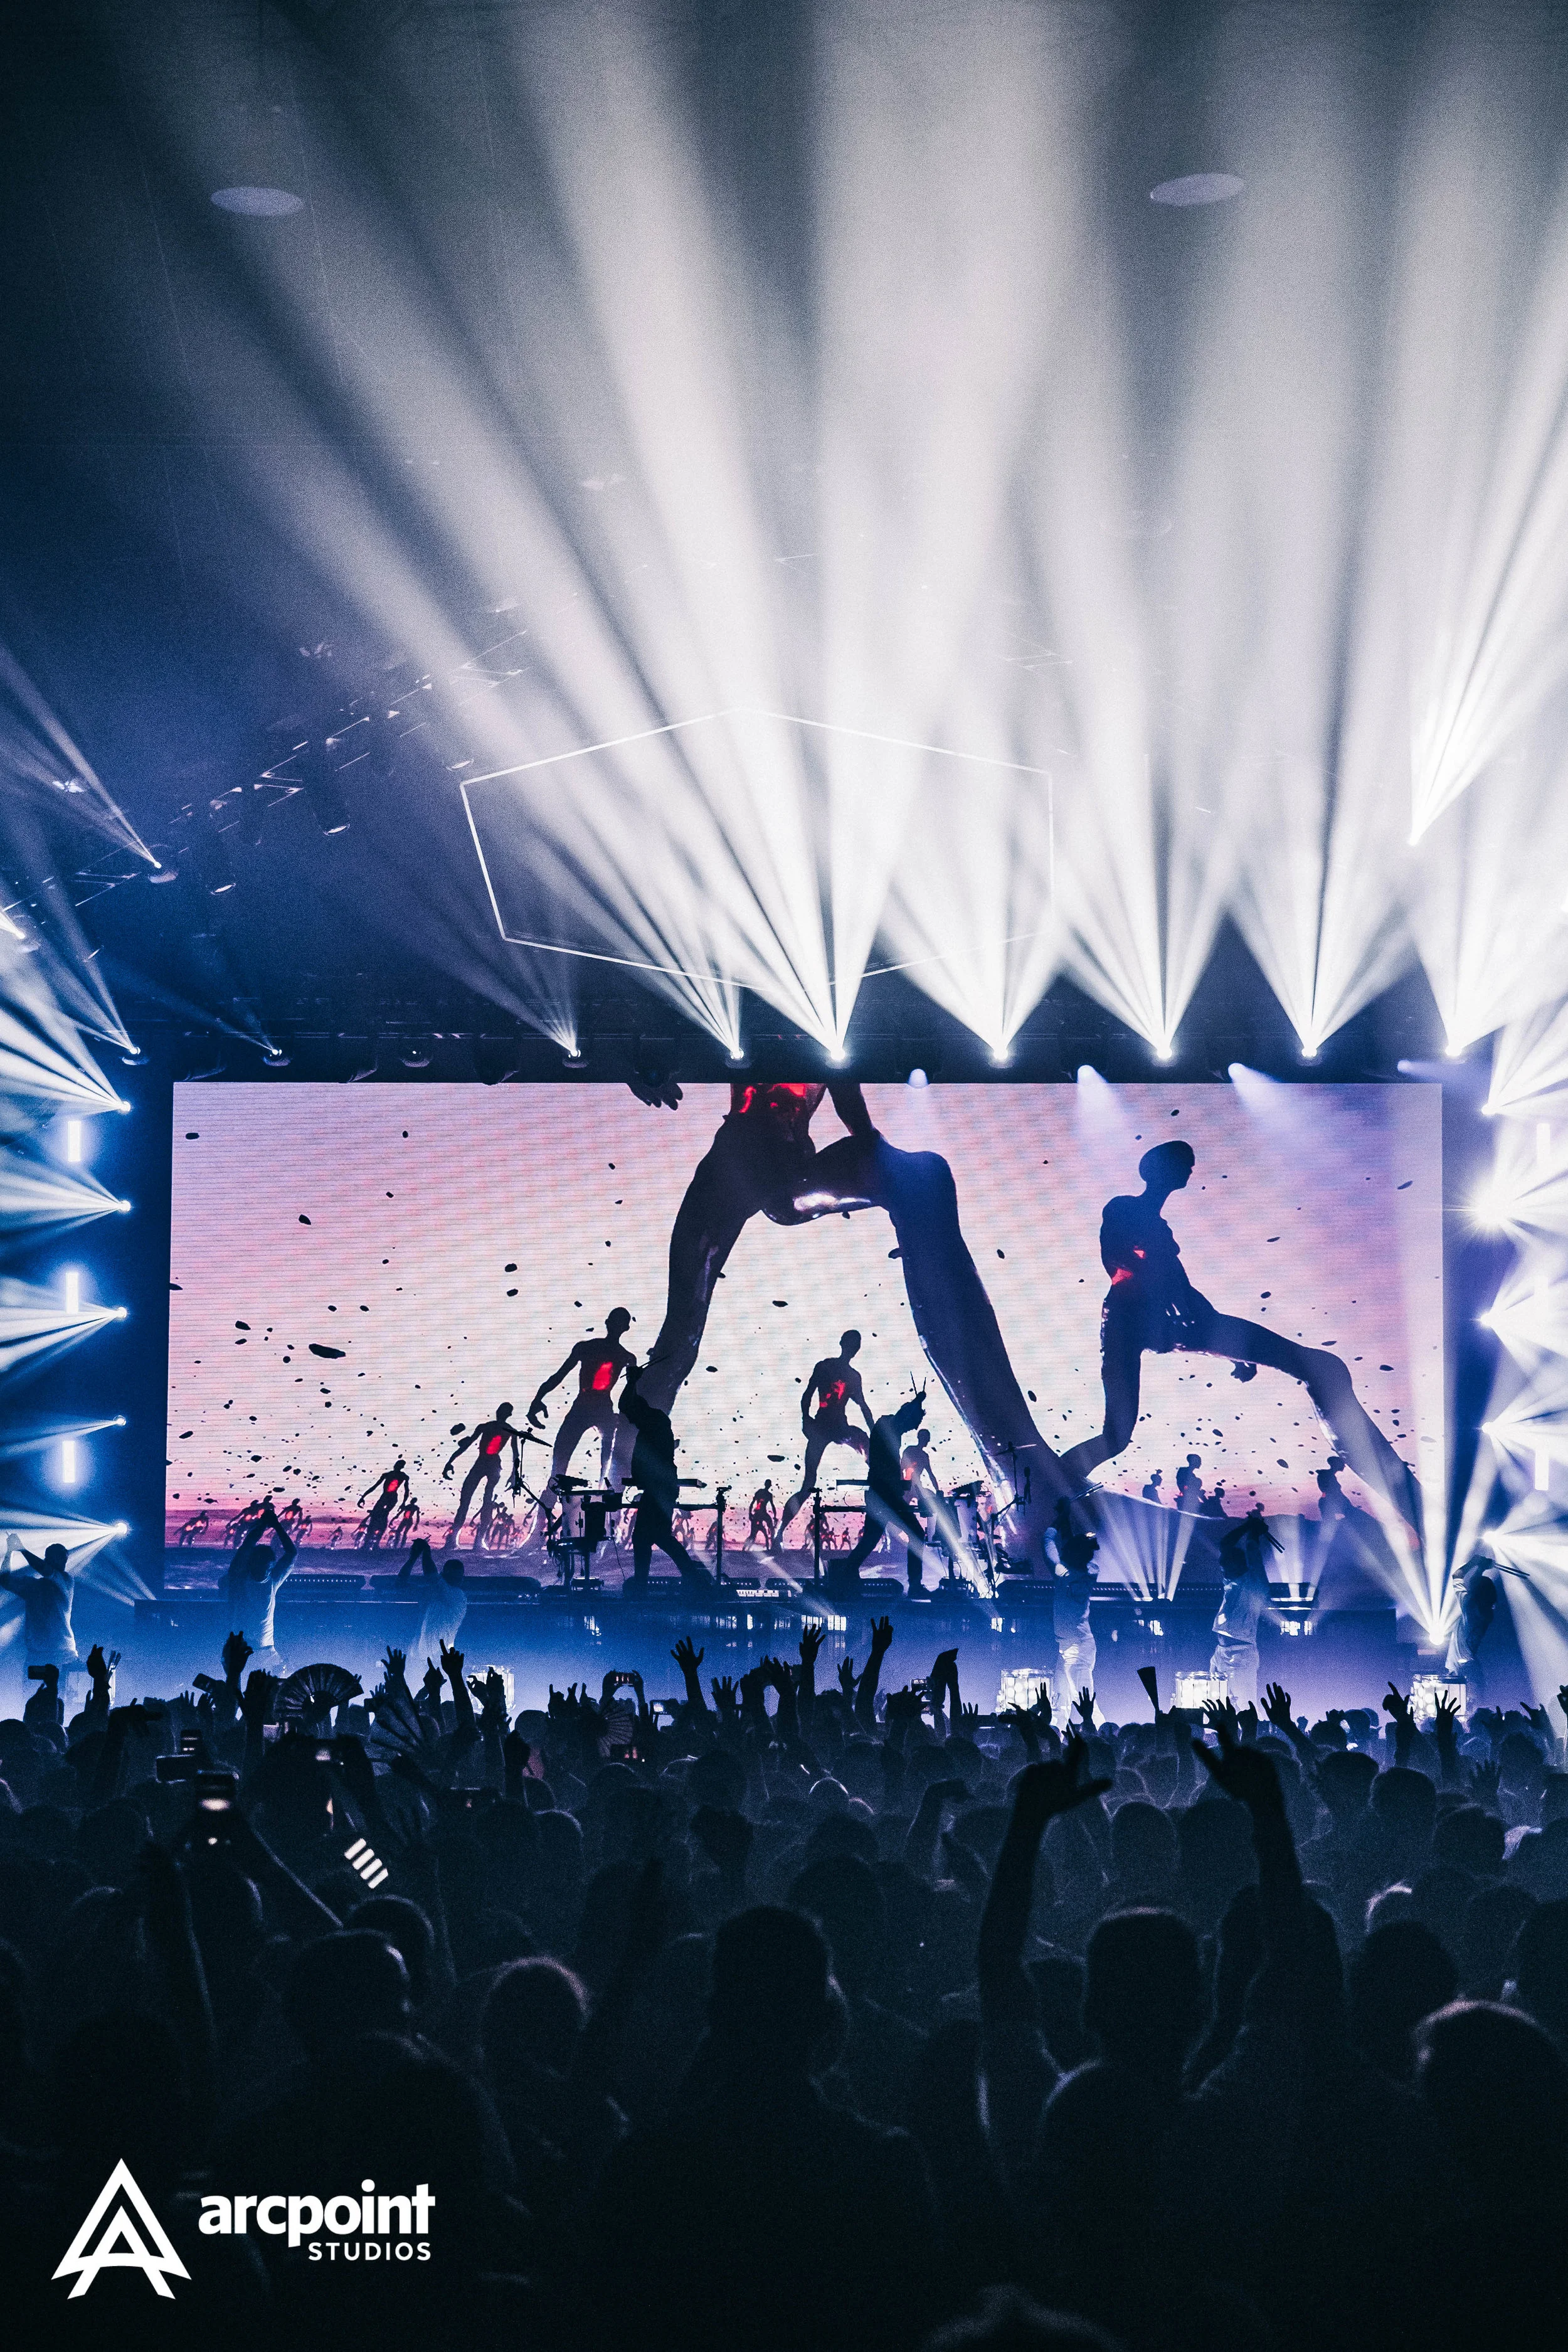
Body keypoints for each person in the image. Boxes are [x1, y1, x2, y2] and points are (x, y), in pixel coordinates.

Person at [623, 1078, 1068, 1559]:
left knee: (925, 1178)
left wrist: (881, 1441)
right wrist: (630, 1057)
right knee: (681, 1334)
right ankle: (630, 1480)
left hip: (789, 1173)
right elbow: (812, 1396)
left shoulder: (849, 1373)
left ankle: (1015, 1469)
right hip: (739, 1162)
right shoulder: (768, 1021)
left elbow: (843, 1087)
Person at [1059, 1139, 1424, 1542]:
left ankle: (1401, 1492)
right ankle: (1053, 1482)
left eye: (1191, 1164)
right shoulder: (1124, 1209)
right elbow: (1126, 1263)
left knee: (1312, 1365)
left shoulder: (1153, 1226)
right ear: (1159, 1169)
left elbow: (1184, 1290)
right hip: (1131, 1318)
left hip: (1168, 1318)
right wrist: (1197, 1323)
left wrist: (1227, 1346)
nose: (1190, 1171)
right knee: (1117, 1434)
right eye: (1185, 1164)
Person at [620, 1362, 711, 1590]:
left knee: (649, 1537)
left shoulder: (655, 1423)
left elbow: (625, 1405)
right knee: (658, 1536)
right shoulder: (655, 1422)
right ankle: (690, 1578)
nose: (630, 1420)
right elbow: (627, 1406)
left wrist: (632, 1382)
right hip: (661, 1489)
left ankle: (647, 1582)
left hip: (659, 1489)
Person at [834, 1389, 931, 1597]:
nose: (914, 1428)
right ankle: (914, 1586)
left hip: (881, 1495)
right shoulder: (888, 1426)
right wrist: (916, 1402)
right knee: (916, 1534)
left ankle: (846, 1575)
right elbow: (901, 1417)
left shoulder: (889, 1430)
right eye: (915, 1423)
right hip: (885, 1496)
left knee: (871, 1538)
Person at [778, 1332, 872, 1539]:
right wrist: (806, 1420)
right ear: (844, 1345)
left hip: (838, 1427)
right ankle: (780, 1533)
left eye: (856, 1345)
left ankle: (881, 1480)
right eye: (852, 1344)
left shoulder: (853, 1377)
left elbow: (863, 1406)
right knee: (808, 1483)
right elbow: (808, 1394)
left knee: (866, 1444)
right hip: (822, 1427)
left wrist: (875, 1433)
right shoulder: (825, 1366)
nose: (853, 1348)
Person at [529, 1309, 638, 1487]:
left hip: (601, 1409)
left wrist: (626, 1417)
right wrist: (538, 1399)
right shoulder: (587, 1348)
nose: (617, 1326)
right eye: (616, 1322)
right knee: (560, 1459)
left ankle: (601, 1495)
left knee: (606, 1464)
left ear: (625, 1327)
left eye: (621, 1323)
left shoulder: (625, 1357)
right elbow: (559, 1376)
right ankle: (552, 1498)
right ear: (608, 1323)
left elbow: (632, 1391)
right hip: (584, 1407)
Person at [1209, 1504, 1281, 1706]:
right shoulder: (1230, 1581)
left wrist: (1253, 1534)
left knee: (1245, 1706)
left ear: (1239, 1565)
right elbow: (1225, 1545)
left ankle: (1251, 1734)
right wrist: (1247, 1525)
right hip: (1221, 1653)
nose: (1223, 1571)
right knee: (1216, 1705)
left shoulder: (1255, 1583)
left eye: (1227, 1567)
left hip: (1241, 1657)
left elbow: (1253, 1553)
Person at [225, 1496, 297, 1660]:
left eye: (268, 1567)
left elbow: (292, 1554)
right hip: (241, 1649)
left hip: (266, 1650)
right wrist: (269, 1524)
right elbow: (247, 1546)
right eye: (263, 1566)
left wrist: (275, 1524)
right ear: (252, 1564)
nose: (265, 1570)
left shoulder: (271, 1581)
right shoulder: (238, 1578)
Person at [443, 1402, 526, 1547]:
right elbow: (467, 1445)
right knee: (467, 1499)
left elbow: (515, 1454)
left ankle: (479, 1539)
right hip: (482, 1463)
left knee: (486, 1500)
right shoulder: (486, 1427)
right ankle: (456, 1538)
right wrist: (450, 1461)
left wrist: (514, 1474)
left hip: (492, 1464)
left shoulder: (508, 1430)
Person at [0, 1537, 81, 1665]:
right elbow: (4, 1580)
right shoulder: (33, 1585)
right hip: (39, 1654)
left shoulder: (66, 1580)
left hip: (61, 1653)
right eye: (61, 1557)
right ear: (49, 1559)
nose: (65, 1562)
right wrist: (10, 1551)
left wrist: (20, 1549)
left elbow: (43, 1569)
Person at [1051, 1501, 1098, 1699]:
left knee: (1083, 1701)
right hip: (1072, 1645)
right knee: (1063, 1699)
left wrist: (1060, 1520)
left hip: (1075, 1648)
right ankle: (1060, 1728)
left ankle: (1099, 1729)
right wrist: (1066, 1519)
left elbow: (1048, 1541)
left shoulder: (1066, 1575)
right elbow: (1071, 1545)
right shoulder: (1089, 1570)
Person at [356, 1457, 410, 1550]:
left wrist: (404, 1503)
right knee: (376, 1517)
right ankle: (369, 1543)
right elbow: (375, 1486)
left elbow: (406, 1491)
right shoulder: (389, 1475)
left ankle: (375, 1543)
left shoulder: (402, 1476)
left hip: (390, 1498)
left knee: (381, 1517)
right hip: (386, 1498)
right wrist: (363, 1497)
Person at [747, 1479, 778, 1549]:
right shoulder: (767, 1494)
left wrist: (750, 1513)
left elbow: (752, 1504)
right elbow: (773, 1506)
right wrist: (775, 1516)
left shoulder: (762, 1493)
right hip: (761, 1513)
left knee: (754, 1534)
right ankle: (771, 1544)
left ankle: (771, 1544)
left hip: (760, 1513)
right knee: (754, 1534)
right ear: (769, 1486)